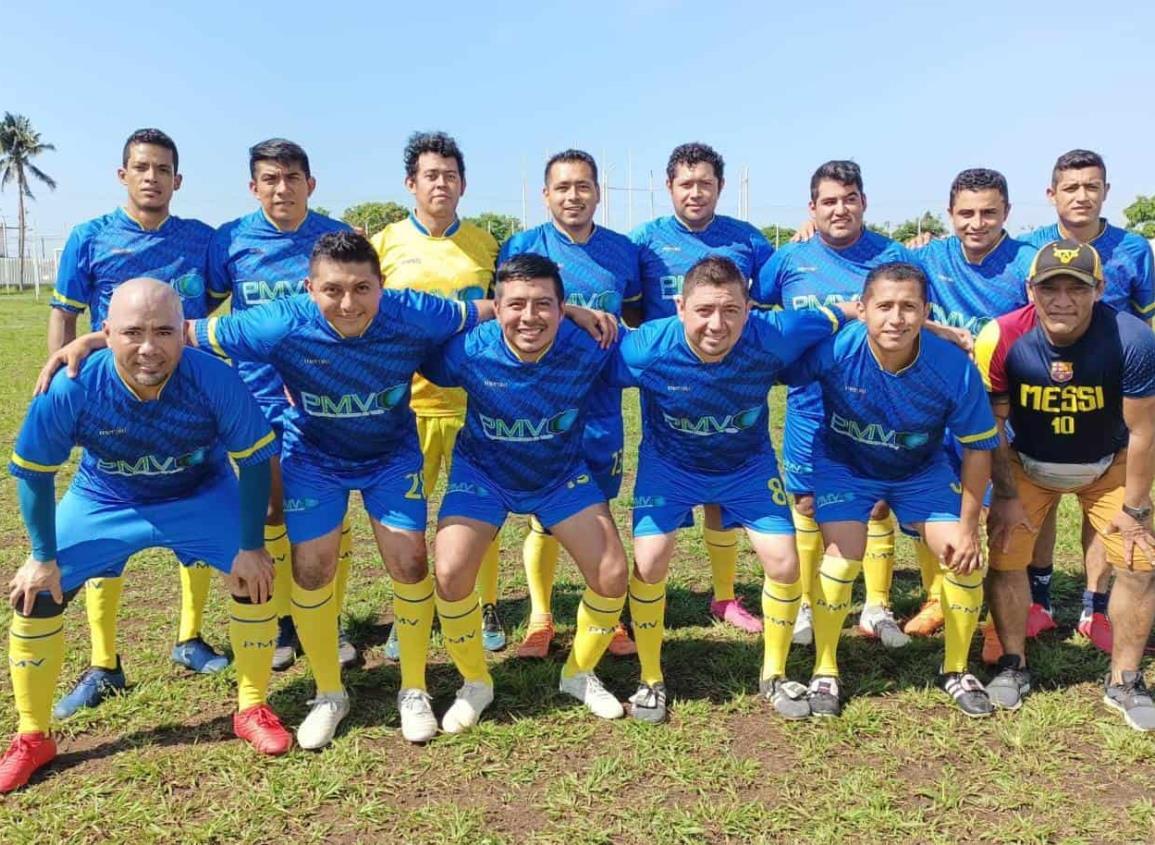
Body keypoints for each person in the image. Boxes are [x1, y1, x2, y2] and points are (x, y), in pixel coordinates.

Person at [3, 279, 283, 794]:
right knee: (35, 592)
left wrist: (250, 546)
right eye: (132, 332)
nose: (149, 347)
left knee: (257, 577)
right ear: (104, 333)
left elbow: (256, 459)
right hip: (106, 498)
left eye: (164, 332)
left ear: (184, 334)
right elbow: (34, 471)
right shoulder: (72, 384)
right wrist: (42, 557)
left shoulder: (214, 379)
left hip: (200, 492)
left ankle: (252, 706)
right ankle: (32, 735)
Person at [605, 256, 852, 723]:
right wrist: (581, 315)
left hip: (745, 465)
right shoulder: (644, 348)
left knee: (784, 562)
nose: (716, 325)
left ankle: (774, 674)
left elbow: (841, 313)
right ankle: (650, 678)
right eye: (703, 311)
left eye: (731, 310)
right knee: (650, 560)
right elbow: (585, 361)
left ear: (749, 307)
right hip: (670, 466)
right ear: (680, 307)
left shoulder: (775, 334)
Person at [45, 128, 227, 721]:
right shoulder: (89, 237)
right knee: (108, 521)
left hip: (189, 405)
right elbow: (64, 315)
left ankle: (190, 638)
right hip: (112, 406)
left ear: (178, 180)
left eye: (164, 168)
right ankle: (103, 664)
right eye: (141, 167)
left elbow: (225, 304)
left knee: (194, 503)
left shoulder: (201, 242)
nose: (152, 177)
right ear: (122, 174)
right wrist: (56, 383)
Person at [420, 254, 627, 732]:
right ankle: (475, 682)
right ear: (496, 305)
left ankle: (579, 673)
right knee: (450, 573)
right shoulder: (468, 348)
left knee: (613, 574)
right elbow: (400, 345)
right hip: (483, 475)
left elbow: (664, 349)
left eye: (543, 305)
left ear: (562, 308)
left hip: (559, 476)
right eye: (515, 305)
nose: (529, 317)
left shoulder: (593, 342)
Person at [782, 262, 999, 717]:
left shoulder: (951, 366)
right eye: (884, 306)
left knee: (961, 558)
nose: (895, 318)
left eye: (908, 307)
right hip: (845, 465)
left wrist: (969, 526)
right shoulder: (836, 349)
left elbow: (979, 448)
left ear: (926, 313)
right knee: (842, 561)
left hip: (921, 470)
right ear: (863, 309)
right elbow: (776, 351)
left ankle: (956, 669)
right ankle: (825, 669)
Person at [975, 240, 1155, 726]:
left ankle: (1125, 678)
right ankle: (1014, 662)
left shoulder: (1132, 338)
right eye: (1049, 287)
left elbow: (1143, 431)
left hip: (1106, 464)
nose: (1061, 300)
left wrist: (1136, 512)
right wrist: (1007, 496)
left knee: (1139, 562)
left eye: (1075, 288)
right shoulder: (1001, 336)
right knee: (1007, 554)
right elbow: (991, 427)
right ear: (1029, 289)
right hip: (1028, 465)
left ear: (1098, 289)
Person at [752, 161, 924, 651]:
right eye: (829, 201)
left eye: (849, 198)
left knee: (876, 503)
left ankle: (876, 606)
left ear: (864, 202)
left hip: (882, 406)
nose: (840, 208)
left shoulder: (892, 257)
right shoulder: (787, 260)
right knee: (805, 501)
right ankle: (807, 603)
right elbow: (756, 310)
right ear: (812, 208)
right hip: (809, 403)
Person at [208, 139, 355, 672]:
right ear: (253, 187)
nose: (282, 188)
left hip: (323, 399)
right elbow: (204, 315)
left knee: (325, 514)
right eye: (270, 178)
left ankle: (328, 618)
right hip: (253, 398)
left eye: (293, 177)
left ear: (310, 184)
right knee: (270, 509)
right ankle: (283, 621)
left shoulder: (335, 238)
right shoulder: (229, 242)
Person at [499, 149, 641, 659]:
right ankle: (540, 617)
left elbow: (636, 317)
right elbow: (505, 315)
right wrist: (572, 312)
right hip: (540, 401)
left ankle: (607, 611)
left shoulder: (624, 252)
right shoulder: (521, 245)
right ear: (546, 195)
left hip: (601, 403)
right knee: (544, 514)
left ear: (599, 192)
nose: (573, 196)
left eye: (583, 186)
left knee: (597, 506)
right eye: (562, 187)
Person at [630, 142, 776, 634]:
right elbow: (631, 307)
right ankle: (636, 605)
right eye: (686, 183)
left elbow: (779, 292)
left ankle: (726, 597)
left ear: (719, 187)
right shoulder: (644, 242)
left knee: (723, 485)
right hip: (670, 382)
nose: (696, 192)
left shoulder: (747, 240)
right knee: (680, 472)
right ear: (669, 187)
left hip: (731, 378)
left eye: (705, 183)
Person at [370, 131, 504, 656]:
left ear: (464, 184)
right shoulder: (384, 245)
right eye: (431, 175)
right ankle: (412, 612)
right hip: (407, 407)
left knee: (480, 512)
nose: (441, 183)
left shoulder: (488, 245)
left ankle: (486, 603)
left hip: (477, 405)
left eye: (450, 175)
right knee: (407, 517)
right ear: (411, 183)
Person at [1019, 150, 1155, 654]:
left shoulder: (1134, 248)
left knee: (1103, 498)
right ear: (1051, 194)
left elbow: (1148, 320)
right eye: (1071, 187)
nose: (1082, 196)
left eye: (1091, 186)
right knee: (1042, 492)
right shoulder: (1029, 246)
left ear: (1105, 191)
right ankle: (1038, 599)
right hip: (1043, 389)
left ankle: (1094, 606)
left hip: (1112, 393)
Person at [903, 168, 1033, 640]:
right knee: (936, 502)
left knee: (999, 506)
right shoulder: (928, 257)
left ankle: (1002, 615)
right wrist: (938, 331)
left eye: (988, 213)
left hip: (1003, 406)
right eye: (966, 213)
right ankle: (938, 596)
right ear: (949, 213)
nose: (976, 223)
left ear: (1007, 213)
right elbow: (884, 287)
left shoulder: (1025, 263)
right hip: (938, 401)